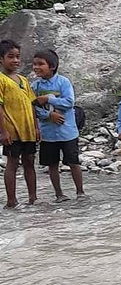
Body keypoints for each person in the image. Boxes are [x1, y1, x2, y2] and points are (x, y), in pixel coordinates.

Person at [31, 48, 85, 201]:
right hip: (48, 133)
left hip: (67, 131)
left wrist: (49, 99)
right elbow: (33, 107)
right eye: (34, 64)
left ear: (52, 66)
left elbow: (69, 102)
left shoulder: (63, 82)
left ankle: (80, 192)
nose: (36, 67)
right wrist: (49, 114)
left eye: (41, 64)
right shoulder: (35, 87)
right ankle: (59, 194)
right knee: (52, 164)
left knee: (73, 162)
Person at [0, 38, 39, 208]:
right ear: (1, 59)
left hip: (28, 129)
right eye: (11, 57)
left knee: (30, 161)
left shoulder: (23, 80)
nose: (15, 60)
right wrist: (3, 132)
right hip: (12, 129)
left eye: (18, 57)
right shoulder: (1, 80)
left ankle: (33, 197)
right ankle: (11, 200)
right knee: (13, 162)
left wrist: (36, 127)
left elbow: (32, 104)